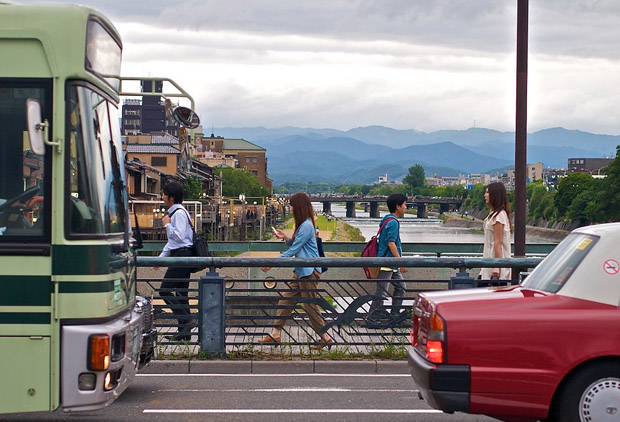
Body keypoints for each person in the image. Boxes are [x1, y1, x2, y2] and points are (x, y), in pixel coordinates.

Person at [260, 192, 333, 349]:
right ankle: (275, 334)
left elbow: (294, 250)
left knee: (310, 305)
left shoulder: (306, 225)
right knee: (286, 300)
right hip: (301, 271)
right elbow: (297, 245)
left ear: (298, 207)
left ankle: (325, 336)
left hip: (309, 271)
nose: (290, 208)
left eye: (292, 205)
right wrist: (286, 238)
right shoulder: (304, 225)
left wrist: (273, 262)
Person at [158, 181, 195, 341]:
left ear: (171, 197)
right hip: (181, 254)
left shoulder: (178, 213)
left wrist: (167, 226)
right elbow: (172, 243)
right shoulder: (178, 212)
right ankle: (184, 333)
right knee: (181, 293)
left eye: (164, 194)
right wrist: (160, 259)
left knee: (165, 290)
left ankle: (186, 321)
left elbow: (178, 237)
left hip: (182, 256)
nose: (162, 196)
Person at [366, 193, 408, 325]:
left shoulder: (386, 219)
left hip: (390, 262)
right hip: (388, 262)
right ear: (398, 206)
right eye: (405, 205)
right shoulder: (393, 223)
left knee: (401, 287)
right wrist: (399, 261)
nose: (406, 208)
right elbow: (391, 243)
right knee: (381, 292)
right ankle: (372, 318)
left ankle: (394, 315)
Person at [481, 182, 512, 280]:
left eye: (487, 192)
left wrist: (496, 266)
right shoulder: (494, 214)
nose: (485, 195)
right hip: (489, 262)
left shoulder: (499, 216)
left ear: (495, 195)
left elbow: (498, 242)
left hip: (495, 267)